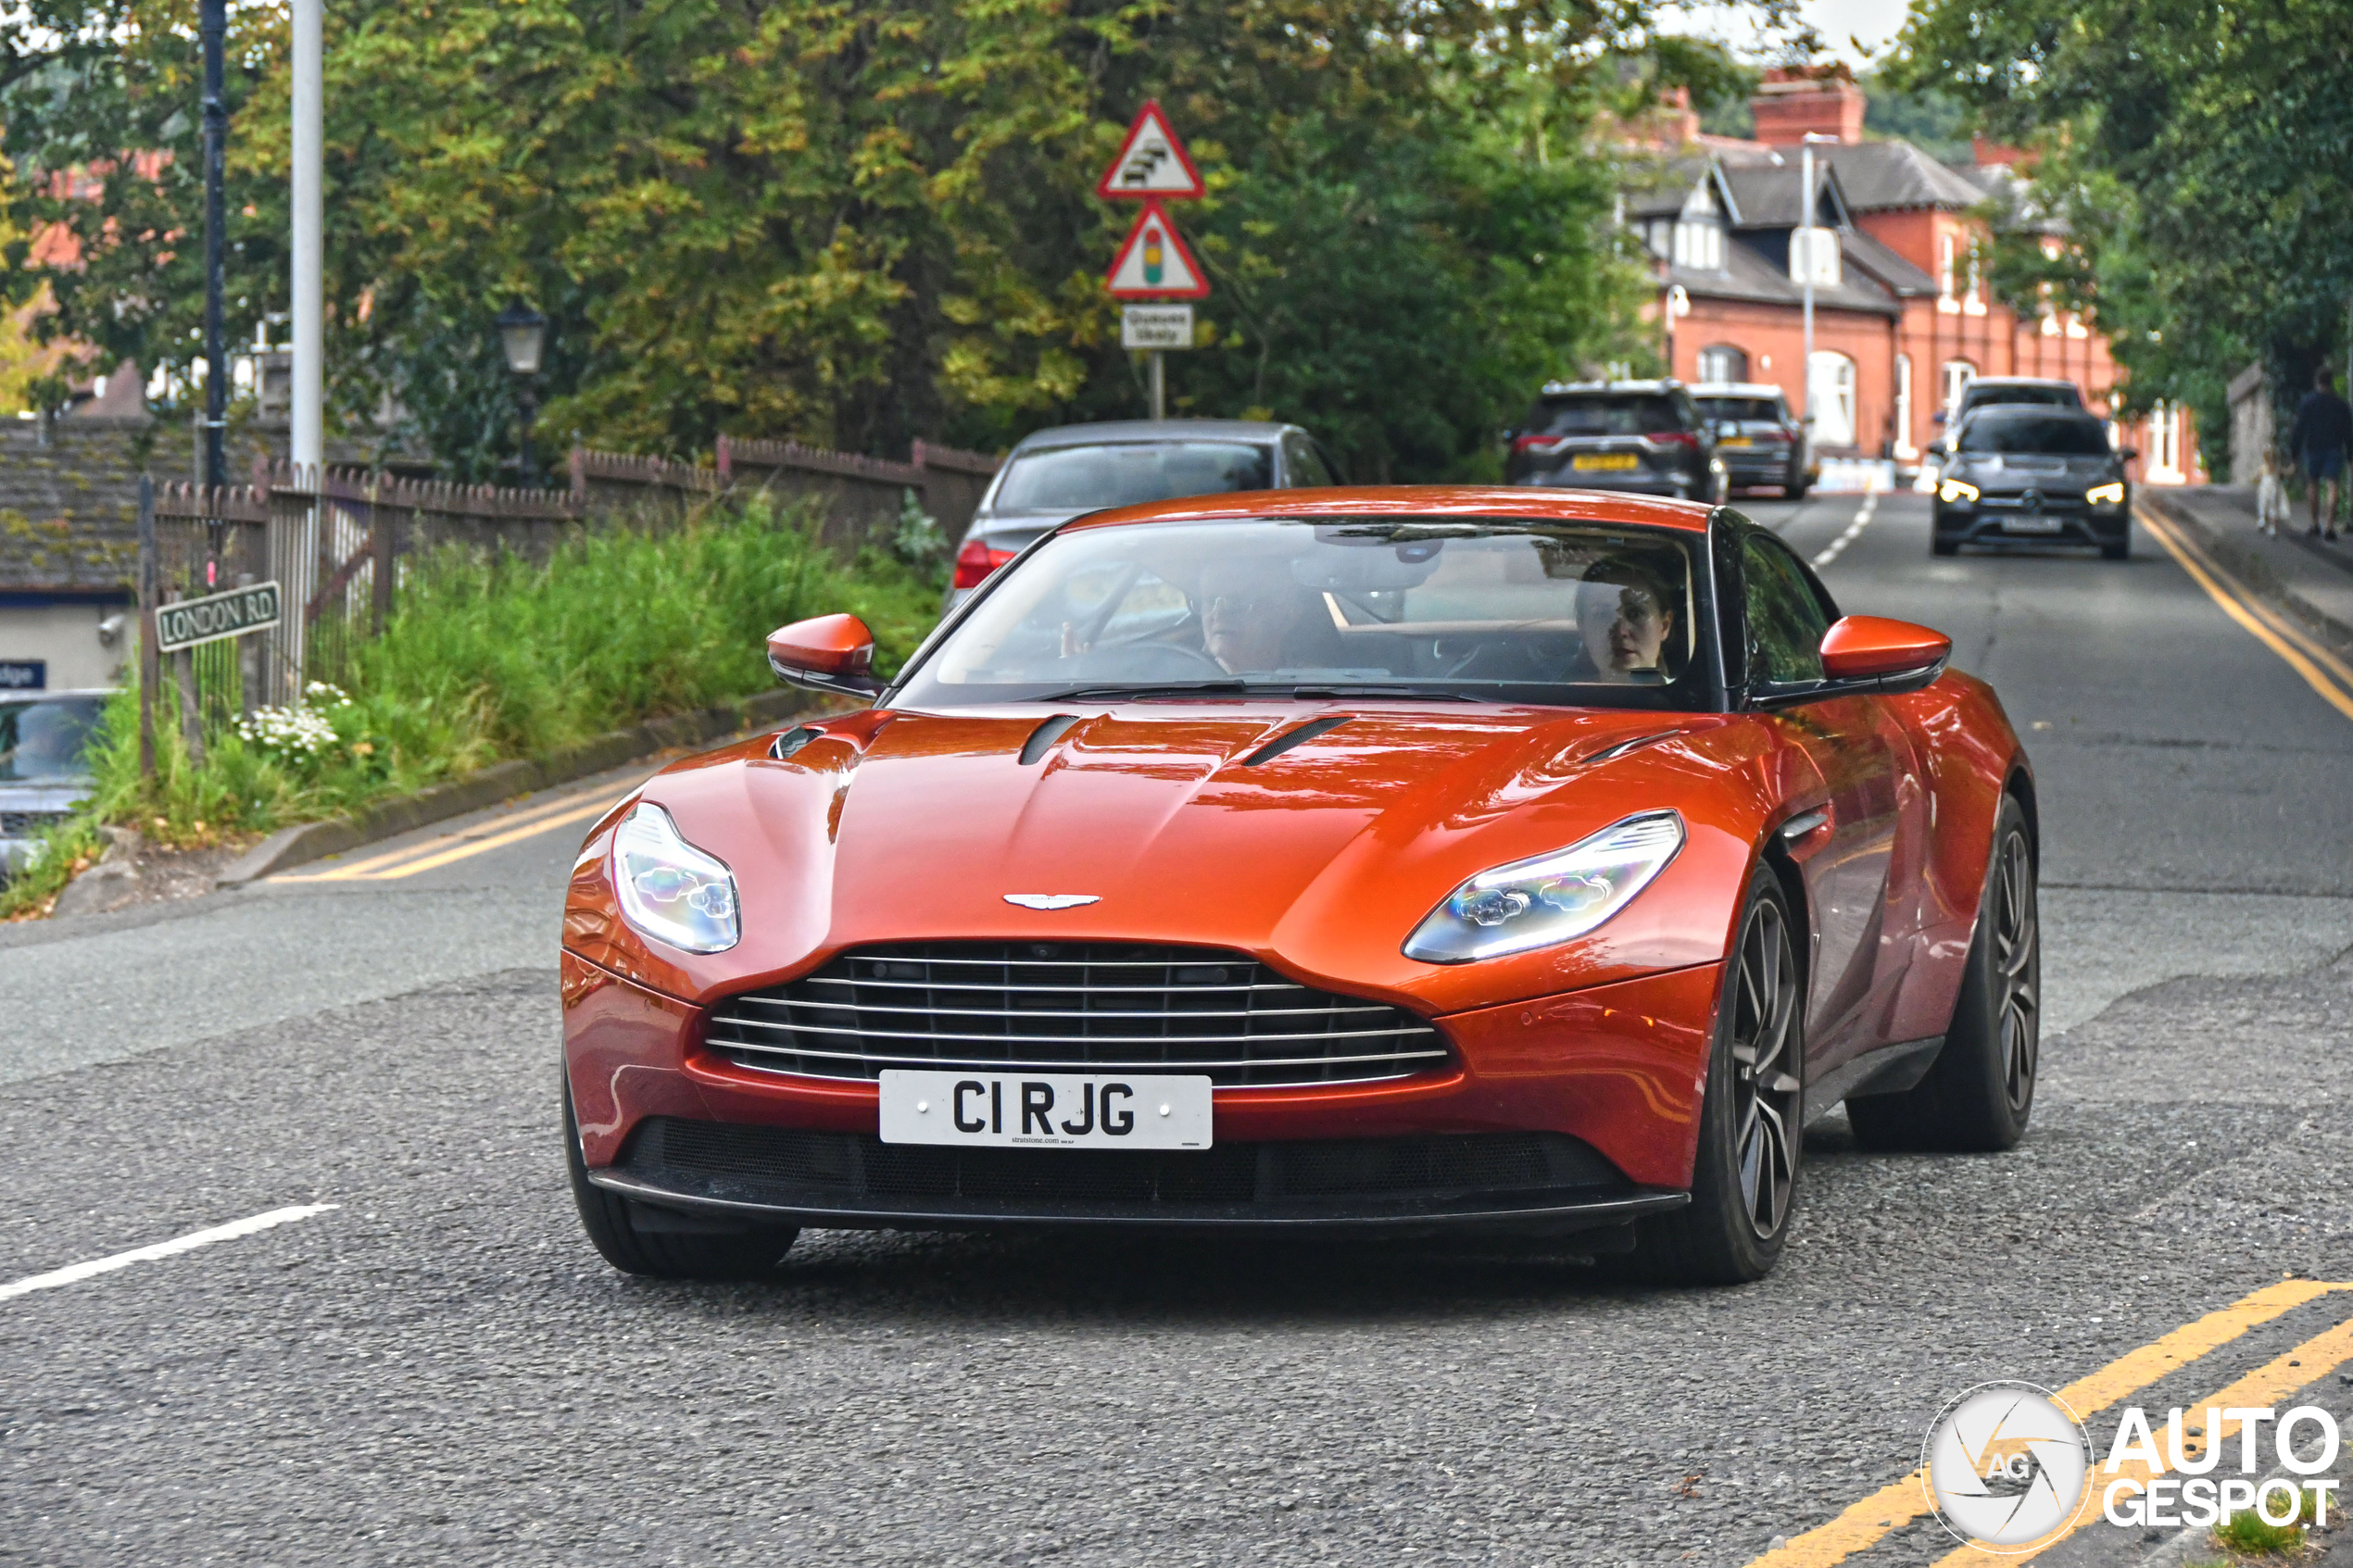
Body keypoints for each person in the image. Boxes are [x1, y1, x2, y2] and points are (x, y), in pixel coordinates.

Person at [1573, 558, 1680, 683]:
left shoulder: (1694, 701)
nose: (1621, 631)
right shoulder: (1560, 700)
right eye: (1603, 614)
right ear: (1583, 629)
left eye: (1635, 614)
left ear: (1664, 626)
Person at [1198, 558, 1310, 674]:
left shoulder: (1312, 684)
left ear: (1286, 615)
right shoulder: (1186, 682)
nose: (1218, 613)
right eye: (1210, 601)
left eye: (1236, 601)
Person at [2287, 367, 2353, 540]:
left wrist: (2294, 456)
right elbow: (2348, 432)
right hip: (2334, 449)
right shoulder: (2341, 405)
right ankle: (2330, 527)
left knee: (2313, 485)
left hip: (2314, 448)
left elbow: (2299, 430)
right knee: (2333, 486)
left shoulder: (2308, 402)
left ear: (2317, 381)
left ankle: (2315, 524)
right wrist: (2350, 457)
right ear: (2331, 382)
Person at [2257, 447, 2290, 538]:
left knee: (2272, 506)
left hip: (2272, 489)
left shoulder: (2274, 468)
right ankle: (2263, 520)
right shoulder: (2264, 467)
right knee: (2264, 504)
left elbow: (2258, 477)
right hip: (2267, 489)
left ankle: (2271, 526)